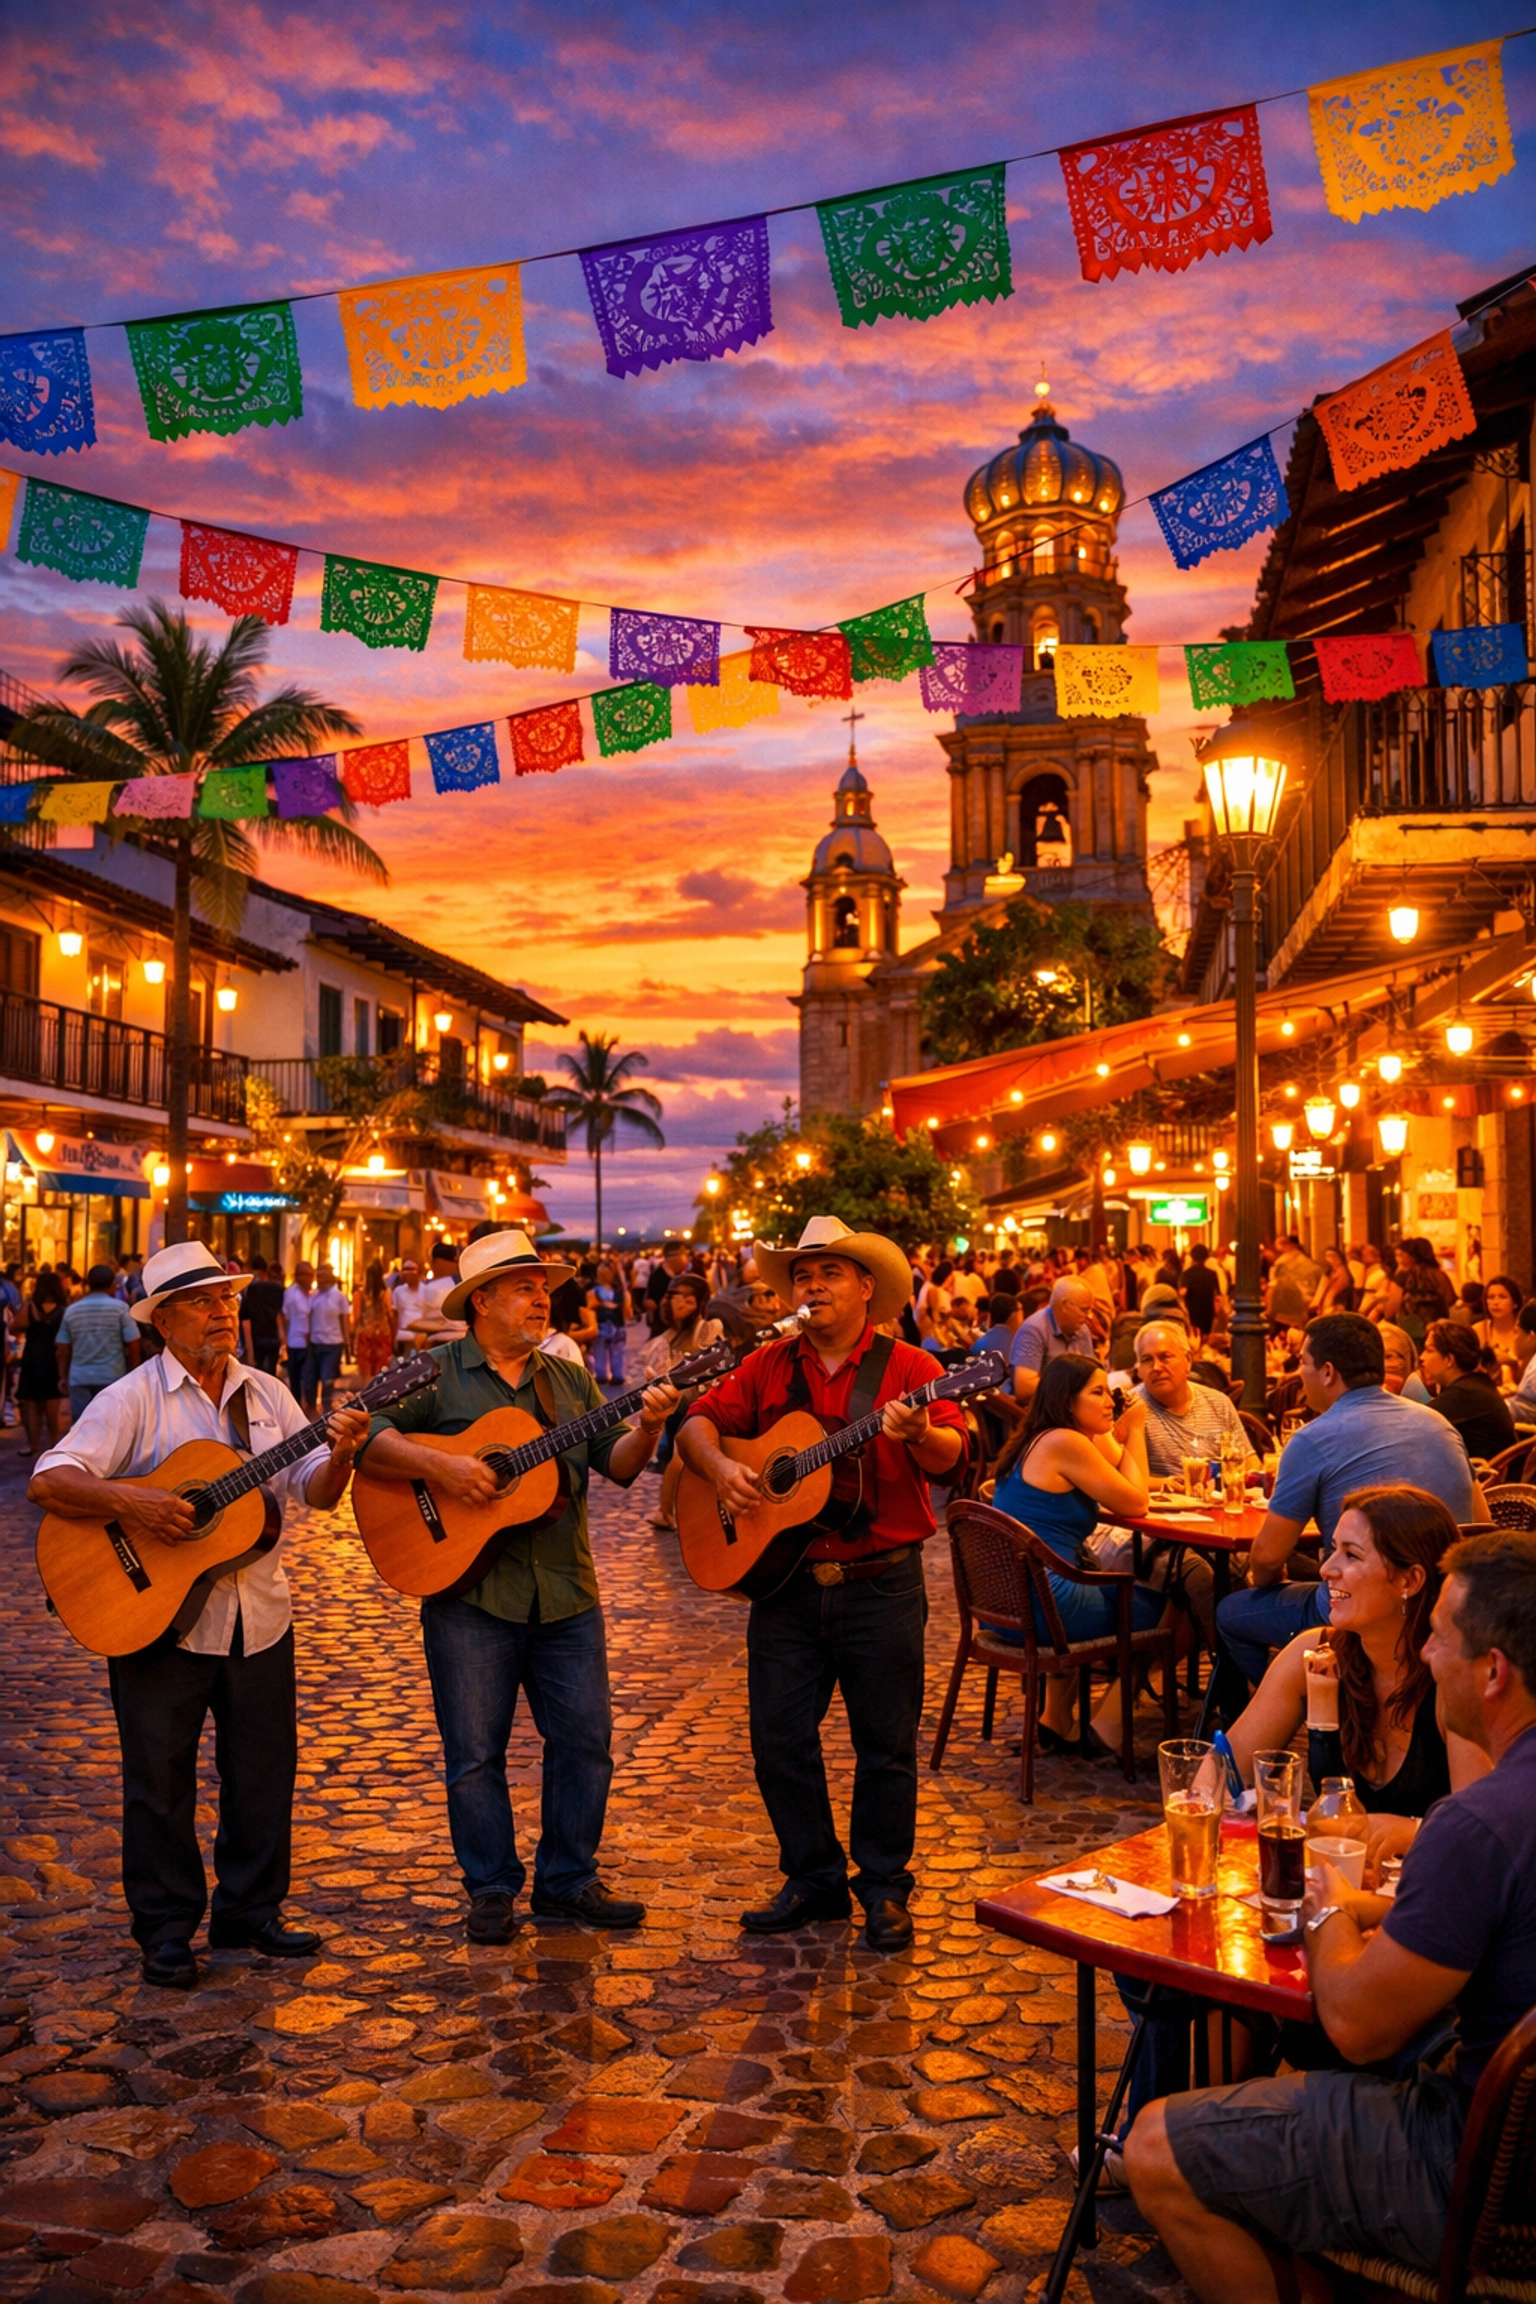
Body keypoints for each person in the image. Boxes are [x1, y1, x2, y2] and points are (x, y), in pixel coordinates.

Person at [1125, 1528, 1536, 2297]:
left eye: (1442, 1640)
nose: (1428, 1654)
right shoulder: (1323, 1660)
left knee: (1156, 2147)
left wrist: (1329, 1906)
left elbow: (1354, 2023)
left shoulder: (1480, 1822)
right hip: (1505, 2122)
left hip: (1485, 2175)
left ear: (1493, 1672)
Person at [28, 1241, 369, 1988]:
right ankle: (166, 1929)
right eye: (203, 1301)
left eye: (227, 1298)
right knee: (159, 1781)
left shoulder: (267, 1394)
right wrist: (137, 1502)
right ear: (163, 1320)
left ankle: (250, 1910)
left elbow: (315, 1490)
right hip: (156, 1620)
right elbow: (51, 1479)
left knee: (263, 1772)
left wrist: (342, 1453)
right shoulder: (132, 1398)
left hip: (261, 1618)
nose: (223, 1311)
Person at [354, 1229, 678, 1942]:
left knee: (586, 1742)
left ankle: (568, 1880)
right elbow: (366, 1437)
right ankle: (492, 1886)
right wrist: (443, 1468)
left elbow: (619, 1464)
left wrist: (651, 1427)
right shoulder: (433, 1372)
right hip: (470, 1595)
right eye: (525, 1288)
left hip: (565, 1591)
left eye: (543, 1288)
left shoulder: (568, 1379)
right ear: (482, 1301)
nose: (542, 1299)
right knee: (474, 1753)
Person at [678, 1215, 967, 1952]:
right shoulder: (768, 1364)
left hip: (882, 1586)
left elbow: (953, 1459)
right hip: (788, 1586)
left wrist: (920, 1435)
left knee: (886, 1747)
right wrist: (722, 1468)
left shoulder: (912, 1367)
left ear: (866, 1287)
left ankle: (884, 1887)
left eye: (829, 1273)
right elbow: (696, 1423)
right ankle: (812, 1878)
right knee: (778, 1741)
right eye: (802, 1276)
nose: (812, 1286)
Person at [1216, 1313, 1481, 1687]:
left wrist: (1263, 1580)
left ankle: (1304, 1703)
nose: (1298, 1374)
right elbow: (1479, 1521)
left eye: (1302, 1362)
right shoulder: (1440, 1424)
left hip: (1363, 1608)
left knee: (1231, 1611)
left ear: (1327, 1372)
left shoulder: (1313, 1439)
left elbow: (1268, 1557)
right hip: (1444, 1602)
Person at [990, 1352, 1176, 1752]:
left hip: (1008, 1604)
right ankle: (1108, 1725)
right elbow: (1136, 1502)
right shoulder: (1065, 1442)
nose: (1110, 1402)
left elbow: (1120, 1471)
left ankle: (1056, 1717)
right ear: (1067, 1399)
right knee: (1175, 1611)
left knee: (1102, 1579)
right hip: (1046, 1607)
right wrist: (1136, 1428)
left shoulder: (1042, 1437)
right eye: (1098, 1393)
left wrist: (1113, 1433)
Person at [640, 1273, 724, 1533]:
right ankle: (666, 1511)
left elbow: (718, 1363)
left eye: (689, 1298)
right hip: (680, 1407)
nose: (682, 1303)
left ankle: (672, 1511)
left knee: (687, 1458)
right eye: (677, 1297)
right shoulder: (664, 1338)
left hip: (702, 1403)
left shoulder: (708, 1329)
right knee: (681, 1457)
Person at [1419, 1318, 1517, 1464]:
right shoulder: (1475, 1384)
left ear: (1449, 1360)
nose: (1421, 1357)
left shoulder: (1464, 1394)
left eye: (1429, 1350)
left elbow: (1415, 1426)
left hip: (1487, 1475)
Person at [56, 1263, 140, 1421]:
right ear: (112, 1285)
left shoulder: (72, 1310)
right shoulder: (120, 1309)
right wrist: (134, 1372)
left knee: (82, 1424)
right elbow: (134, 1342)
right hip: (112, 1377)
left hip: (79, 1377)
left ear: (88, 1284)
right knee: (110, 1423)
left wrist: (63, 1376)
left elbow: (63, 1349)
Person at [1010, 1276, 1097, 1407]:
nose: (1089, 1316)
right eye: (1084, 1309)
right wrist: (1072, 1385)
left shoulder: (1082, 1330)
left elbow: (1093, 1375)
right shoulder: (1033, 1330)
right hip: (1041, 1412)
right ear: (1064, 1305)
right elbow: (1024, 1389)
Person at [17, 1271, 69, 1456]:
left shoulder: (30, 1308)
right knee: (52, 1406)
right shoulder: (63, 1311)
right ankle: (54, 1444)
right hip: (53, 1359)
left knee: (32, 1403)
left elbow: (15, 1327)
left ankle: (33, 1445)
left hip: (32, 1357)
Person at [306, 1264, 351, 1414]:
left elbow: (344, 1320)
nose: (320, 1279)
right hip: (315, 1343)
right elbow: (308, 1318)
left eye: (323, 1276)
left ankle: (325, 1411)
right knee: (311, 1379)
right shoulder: (313, 1296)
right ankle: (311, 1410)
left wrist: (347, 1344)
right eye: (318, 1276)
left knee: (327, 1379)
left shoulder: (339, 1297)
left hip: (333, 1344)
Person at [351, 1260, 398, 1384]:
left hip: (364, 1337)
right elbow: (390, 1315)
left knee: (365, 1375)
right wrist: (394, 1337)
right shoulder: (386, 1293)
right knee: (381, 1374)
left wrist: (353, 1338)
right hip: (383, 1335)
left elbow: (356, 1318)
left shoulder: (359, 1294)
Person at [586, 1257, 630, 1387]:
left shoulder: (593, 1292)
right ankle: (617, 1375)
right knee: (617, 1352)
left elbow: (590, 1309)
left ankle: (601, 1375)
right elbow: (627, 1311)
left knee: (599, 1352)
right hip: (618, 1324)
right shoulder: (620, 1293)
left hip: (600, 1325)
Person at [1477, 1274, 1526, 1383]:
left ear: (1515, 1303)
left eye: (1502, 1297)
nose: (1496, 1302)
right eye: (1491, 1297)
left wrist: (1513, 1364)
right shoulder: (1478, 1330)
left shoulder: (1526, 1332)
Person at [240, 1260, 285, 1375]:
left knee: (258, 1370)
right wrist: (283, 1338)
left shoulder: (253, 1289)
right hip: (273, 1335)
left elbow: (246, 1316)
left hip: (257, 1336)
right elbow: (281, 1315)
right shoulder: (279, 1290)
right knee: (271, 1372)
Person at [279, 1260, 313, 1406]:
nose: (310, 1278)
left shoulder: (312, 1294)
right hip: (294, 1342)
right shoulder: (291, 1293)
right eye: (306, 1275)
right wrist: (284, 1340)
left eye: (311, 1275)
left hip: (310, 1343)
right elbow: (284, 1317)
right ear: (298, 1276)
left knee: (310, 1381)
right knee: (296, 1381)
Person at [1180, 1245, 1221, 1344]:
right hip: (1208, 1309)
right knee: (1206, 1335)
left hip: (1193, 1309)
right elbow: (1218, 1294)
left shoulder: (1187, 1274)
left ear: (1192, 1257)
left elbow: (1183, 1292)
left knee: (1195, 1336)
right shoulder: (1212, 1274)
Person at [1310, 1244, 1355, 1315]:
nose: (1331, 1259)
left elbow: (1340, 1292)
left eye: (1333, 1256)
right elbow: (1321, 1291)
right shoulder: (1329, 1274)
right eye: (1328, 1256)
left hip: (1336, 1307)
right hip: (1324, 1309)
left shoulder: (1344, 1273)